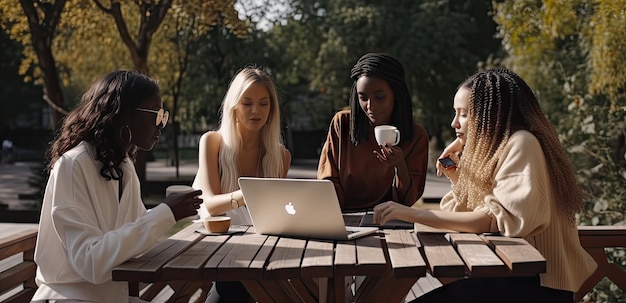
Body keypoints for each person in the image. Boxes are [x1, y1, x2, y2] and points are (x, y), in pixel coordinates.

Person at [373, 67, 597, 303]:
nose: (453, 123)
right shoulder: (503, 147)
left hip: (536, 284)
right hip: (505, 273)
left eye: (464, 114)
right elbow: (478, 214)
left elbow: (493, 221)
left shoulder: (523, 143)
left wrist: (411, 214)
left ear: (492, 114)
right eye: (455, 113)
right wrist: (458, 177)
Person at [31, 70, 202, 303]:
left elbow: (134, 237)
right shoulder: (73, 165)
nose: (162, 124)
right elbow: (90, 262)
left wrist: (175, 218)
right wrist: (166, 212)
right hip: (69, 298)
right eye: (157, 114)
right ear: (123, 114)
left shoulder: (123, 167)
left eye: (164, 115)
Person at [192, 66, 291, 303]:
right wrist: (250, 193)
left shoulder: (280, 157)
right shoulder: (212, 142)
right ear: (234, 106)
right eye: (247, 103)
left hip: (260, 251)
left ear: (272, 109)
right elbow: (210, 205)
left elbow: (275, 216)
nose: (256, 110)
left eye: (263, 103)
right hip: (214, 248)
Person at [317, 53, 429, 211]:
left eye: (380, 97)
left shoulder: (416, 136)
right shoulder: (342, 124)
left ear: (396, 93)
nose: (370, 106)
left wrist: (400, 166)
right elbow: (327, 180)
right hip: (342, 216)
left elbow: (407, 202)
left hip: (389, 220)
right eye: (363, 97)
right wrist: (340, 217)